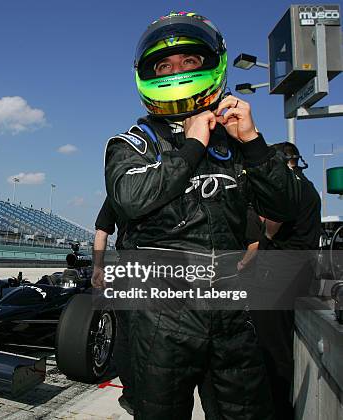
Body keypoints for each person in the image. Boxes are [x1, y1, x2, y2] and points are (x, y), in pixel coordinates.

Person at [104, 11, 300, 418]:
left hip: (229, 307)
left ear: (212, 64)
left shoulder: (236, 143)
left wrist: (253, 142)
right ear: (147, 75)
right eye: (164, 66)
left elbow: (285, 209)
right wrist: (193, 144)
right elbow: (129, 200)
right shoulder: (132, 143)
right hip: (160, 312)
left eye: (188, 62)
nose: (176, 72)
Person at [250, 141, 321, 420]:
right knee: (283, 346)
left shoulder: (286, 187)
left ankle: (276, 411)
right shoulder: (309, 187)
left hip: (277, 274)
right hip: (302, 271)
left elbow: (277, 216)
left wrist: (265, 239)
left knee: (271, 349)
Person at [92, 197, 132, 414]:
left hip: (127, 267)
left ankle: (131, 395)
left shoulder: (120, 187)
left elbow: (101, 231)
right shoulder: (166, 180)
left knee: (124, 335)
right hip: (162, 267)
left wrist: (98, 267)